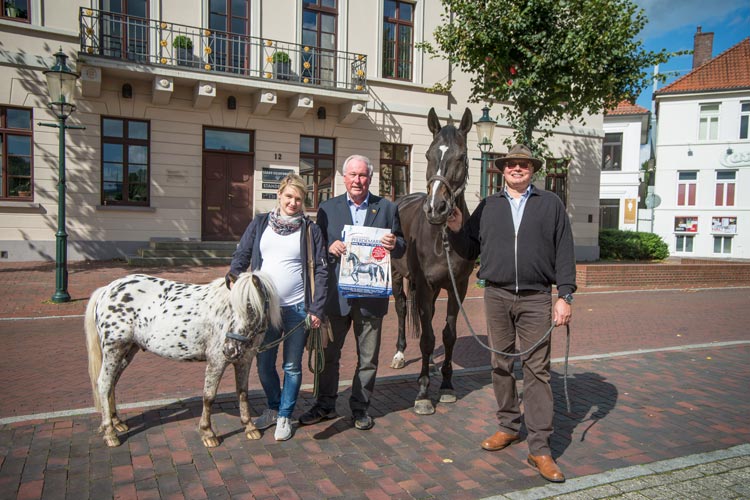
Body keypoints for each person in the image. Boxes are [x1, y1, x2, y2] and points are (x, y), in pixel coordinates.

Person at [446, 144, 576, 483]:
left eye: (523, 164)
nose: (516, 169)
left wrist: (565, 295)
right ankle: (507, 426)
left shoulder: (551, 205)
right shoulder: (488, 205)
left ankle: (540, 447)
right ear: (502, 170)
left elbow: (565, 250)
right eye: (510, 165)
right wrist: (458, 228)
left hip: (536, 298)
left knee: (537, 371)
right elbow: (470, 250)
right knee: (500, 363)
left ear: (532, 169)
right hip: (497, 295)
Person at [299, 154, 406, 431]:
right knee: (328, 355)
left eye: (362, 175)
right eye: (353, 175)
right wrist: (329, 248)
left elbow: (403, 245)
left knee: (368, 358)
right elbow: (315, 247)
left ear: (370, 178)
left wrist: (395, 242)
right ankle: (324, 405)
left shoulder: (386, 208)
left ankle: (360, 408)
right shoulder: (327, 208)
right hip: (336, 296)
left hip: (371, 298)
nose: (357, 180)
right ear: (344, 178)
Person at [226, 173, 327, 441]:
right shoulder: (260, 223)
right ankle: (272, 407)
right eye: (289, 197)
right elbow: (243, 254)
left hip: (297, 309)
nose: (293, 203)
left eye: (299, 199)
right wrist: (233, 276)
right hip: (264, 309)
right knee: (263, 364)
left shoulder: (310, 230)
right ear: (279, 196)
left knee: (292, 366)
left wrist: (316, 309)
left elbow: (321, 272)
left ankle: (285, 415)